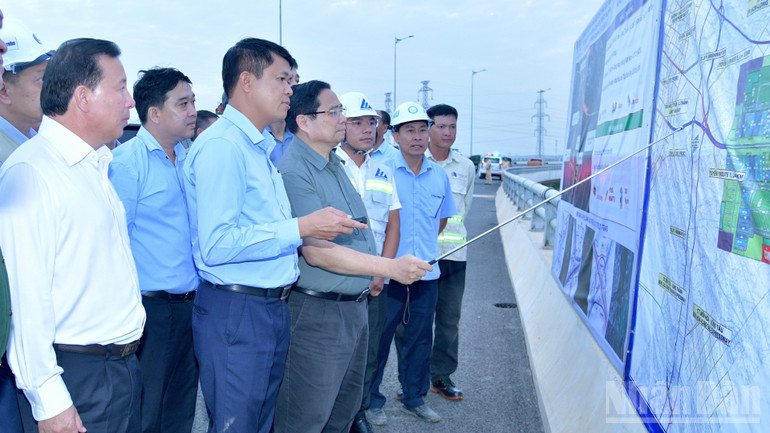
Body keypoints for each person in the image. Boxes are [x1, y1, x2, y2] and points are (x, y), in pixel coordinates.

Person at [182, 39, 428, 433]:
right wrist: (301, 228)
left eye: (292, 81)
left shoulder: (257, 148)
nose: (289, 90)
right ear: (246, 81)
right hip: (238, 310)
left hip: (267, 307)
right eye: (282, 79)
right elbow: (217, 244)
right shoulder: (224, 148)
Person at [0, 38, 145, 433]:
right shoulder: (32, 172)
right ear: (82, 97)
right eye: (120, 88)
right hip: (75, 378)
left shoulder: (94, 166)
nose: (130, 102)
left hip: (120, 371)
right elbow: (25, 304)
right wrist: (50, 401)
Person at [274, 81, 429, 433]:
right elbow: (316, 252)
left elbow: (362, 232)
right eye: (334, 112)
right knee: (305, 418)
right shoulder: (294, 171)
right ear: (305, 121)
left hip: (353, 308)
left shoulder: (332, 164)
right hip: (318, 315)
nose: (342, 118)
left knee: (343, 414)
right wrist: (389, 268)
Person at [109, 67, 199, 433]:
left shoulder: (191, 159)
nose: (193, 110)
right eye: (183, 103)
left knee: (181, 407)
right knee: (146, 412)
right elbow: (115, 243)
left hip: (193, 304)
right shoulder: (127, 164)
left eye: (193, 101)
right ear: (155, 113)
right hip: (151, 310)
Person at [369, 102, 456, 425]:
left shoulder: (438, 174)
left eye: (423, 129)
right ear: (395, 135)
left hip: (426, 273)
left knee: (421, 338)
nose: (417, 137)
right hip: (387, 273)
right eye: (409, 130)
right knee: (378, 339)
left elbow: (442, 219)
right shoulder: (381, 168)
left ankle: (414, 396)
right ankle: (371, 400)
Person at [334, 92, 401, 433]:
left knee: (369, 352)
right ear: (340, 124)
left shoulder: (383, 170)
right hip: (336, 278)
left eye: (371, 122)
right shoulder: (329, 165)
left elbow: (393, 226)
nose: (366, 129)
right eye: (357, 122)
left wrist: (382, 270)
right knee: (335, 354)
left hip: (375, 282)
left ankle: (358, 412)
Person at [426, 103, 475, 401]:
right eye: (441, 126)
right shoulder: (417, 161)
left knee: (448, 320)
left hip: (455, 255)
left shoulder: (466, 166)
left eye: (452, 126)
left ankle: (441, 377)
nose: (448, 132)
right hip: (422, 255)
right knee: (413, 321)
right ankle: (412, 379)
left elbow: (465, 207)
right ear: (429, 128)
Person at [0, 18, 52, 163]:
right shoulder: (5, 158)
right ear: (4, 91)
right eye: (41, 79)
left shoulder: (36, 142)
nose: (51, 87)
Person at [267, 65, 299, 164]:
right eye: (283, 80)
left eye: (297, 80)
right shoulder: (253, 137)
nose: (291, 88)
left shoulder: (303, 134)